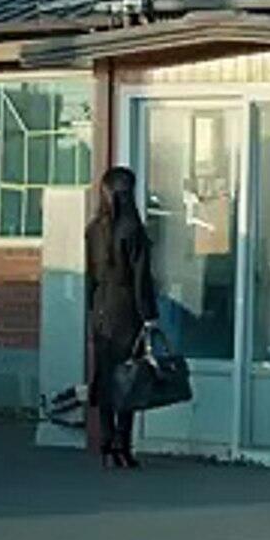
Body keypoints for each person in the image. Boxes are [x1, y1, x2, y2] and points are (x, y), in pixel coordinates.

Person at [87, 165, 159, 469]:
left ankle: (106, 442)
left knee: (105, 376)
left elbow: (90, 275)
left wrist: (92, 310)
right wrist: (149, 315)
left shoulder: (94, 229)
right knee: (129, 376)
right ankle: (123, 443)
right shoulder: (133, 229)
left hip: (102, 306)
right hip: (127, 308)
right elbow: (142, 279)